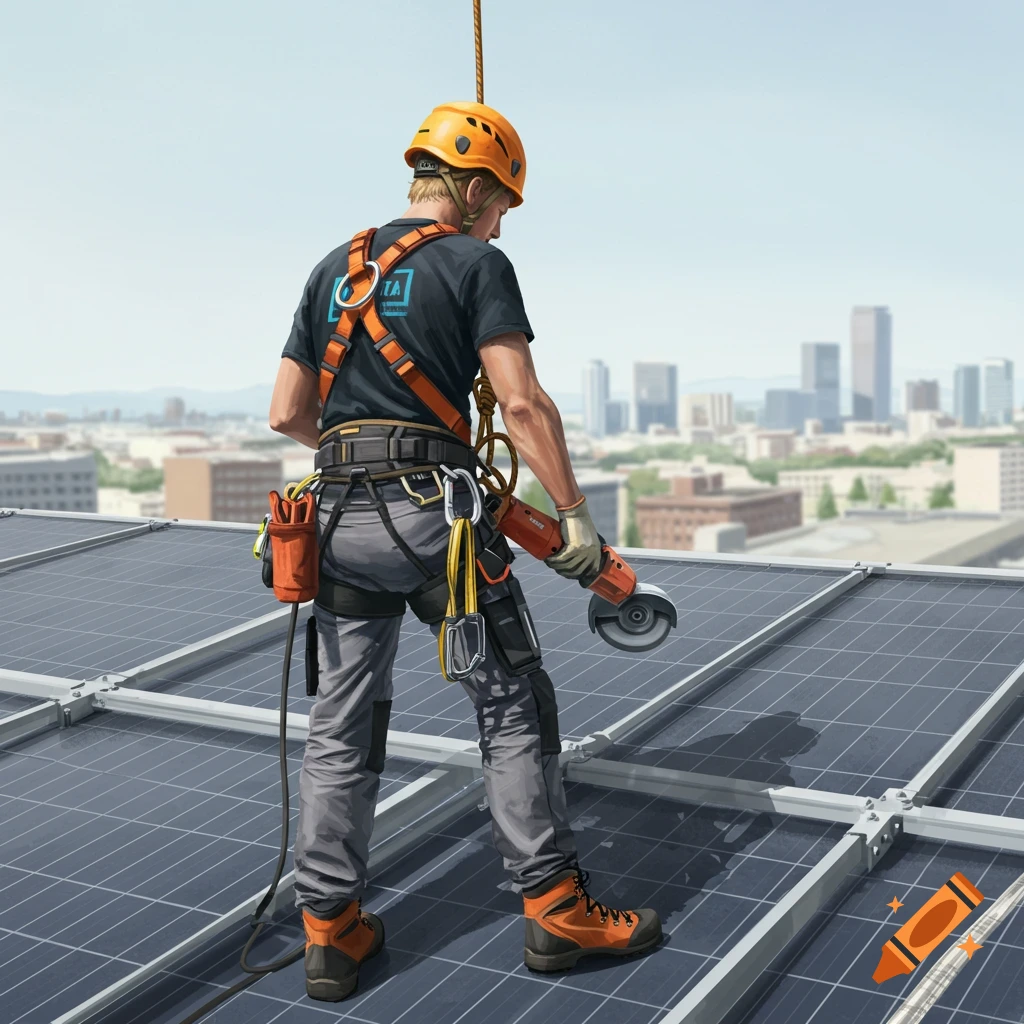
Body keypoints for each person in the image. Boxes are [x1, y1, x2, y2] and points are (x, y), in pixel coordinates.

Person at [269, 100, 662, 1004]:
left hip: (333, 520)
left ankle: (331, 929)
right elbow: (521, 405)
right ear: (475, 187)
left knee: (342, 722)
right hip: (433, 521)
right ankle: (556, 910)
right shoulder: (478, 261)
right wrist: (572, 516)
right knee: (511, 700)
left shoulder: (333, 268)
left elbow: (290, 413)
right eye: (502, 206)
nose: (501, 222)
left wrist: (367, 456)